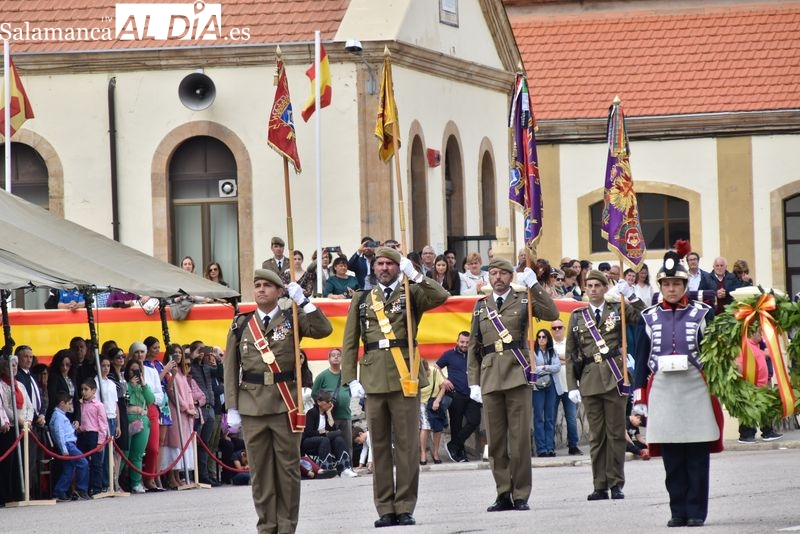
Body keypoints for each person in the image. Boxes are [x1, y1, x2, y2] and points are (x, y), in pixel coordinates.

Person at [341, 246, 449, 528]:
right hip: (374, 378)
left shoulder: (411, 293)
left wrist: (416, 275)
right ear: (373, 268)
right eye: (380, 264)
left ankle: (405, 506)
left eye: (391, 263)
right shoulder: (363, 299)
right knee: (379, 446)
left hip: (406, 378)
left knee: (407, 446)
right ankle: (385, 508)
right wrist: (350, 378)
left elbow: (442, 296)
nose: (385, 268)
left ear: (397, 267)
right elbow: (350, 341)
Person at [224, 269, 333, 534]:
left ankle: (286, 528)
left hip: (285, 406)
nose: (261, 290)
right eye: (257, 285)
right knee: (260, 474)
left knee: (287, 472)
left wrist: (304, 301)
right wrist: (232, 407)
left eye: (267, 286)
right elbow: (230, 367)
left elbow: (324, 329)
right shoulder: (240, 325)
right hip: (252, 407)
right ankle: (267, 527)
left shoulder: (292, 318)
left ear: (279, 291)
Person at [633, 252, 723, 528]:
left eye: (676, 284)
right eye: (667, 284)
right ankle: (678, 511)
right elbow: (640, 361)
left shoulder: (703, 314)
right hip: (663, 391)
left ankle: (697, 511)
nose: (671, 289)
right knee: (672, 460)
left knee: (696, 457)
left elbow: (715, 354)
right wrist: (639, 399)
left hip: (695, 389)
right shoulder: (647, 317)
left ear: (685, 285)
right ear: (660, 286)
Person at [467, 257, 559, 512]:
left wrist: (535, 286)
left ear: (511, 277)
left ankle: (520, 494)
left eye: (502, 274)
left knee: (518, 440)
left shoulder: (523, 299)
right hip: (490, 378)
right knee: (496, 442)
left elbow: (552, 313)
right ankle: (502, 493)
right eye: (493, 273)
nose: (497, 277)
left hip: (517, 375)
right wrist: (473, 382)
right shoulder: (480, 307)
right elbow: (474, 346)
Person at [565, 269, 645, 501]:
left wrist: (630, 294)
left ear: (604, 287)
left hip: (614, 378)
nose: (593, 290)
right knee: (596, 436)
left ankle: (616, 483)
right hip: (589, 380)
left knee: (616, 434)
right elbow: (571, 353)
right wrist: (572, 385)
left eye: (597, 286)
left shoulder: (617, 309)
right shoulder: (578, 316)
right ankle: (599, 484)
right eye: (589, 286)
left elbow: (644, 317)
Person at [437, 331, 481, 463]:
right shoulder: (448, 354)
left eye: (467, 342)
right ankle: (459, 453)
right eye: (462, 342)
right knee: (456, 425)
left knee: (474, 421)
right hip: (456, 394)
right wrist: (444, 380)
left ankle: (453, 444)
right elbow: (436, 368)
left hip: (473, 394)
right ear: (457, 341)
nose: (464, 344)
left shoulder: (475, 354)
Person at [735, 329, 783, 443]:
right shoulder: (745, 345)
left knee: (765, 409)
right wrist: (744, 382)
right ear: (752, 333)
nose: (761, 335)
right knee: (748, 411)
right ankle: (746, 435)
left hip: (762, 385)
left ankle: (768, 432)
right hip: (750, 385)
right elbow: (739, 364)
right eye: (759, 332)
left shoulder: (756, 346)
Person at [161, 345, 196, 489]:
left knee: (183, 444)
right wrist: (185, 407)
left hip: (186, 414)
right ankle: (171, 477)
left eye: (179, 352)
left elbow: (187, 392)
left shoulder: (182, 372)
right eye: (174, 353)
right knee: (174, 444)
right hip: (176, 411)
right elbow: (171, 391)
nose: (178, 355)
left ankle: (178, 476)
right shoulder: (170, 371)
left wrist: (191, 407)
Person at [0, 356, 33, 505]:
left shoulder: (20, 384)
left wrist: (28, 420)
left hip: (24, 426)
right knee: (9, 462)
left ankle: (21, 492)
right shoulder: (2, 385)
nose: (12, 369)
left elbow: (29, 405)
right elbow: (6, 407)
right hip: (11, 427)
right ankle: (6, 494)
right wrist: (19, 421)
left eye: (14, 366)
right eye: (9, 366)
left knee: (25, 459)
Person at [300, 390, 357, 477]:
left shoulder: (326, 414)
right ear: (319, 402)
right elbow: (308, 432)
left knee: (338, 438)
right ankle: (326, 468)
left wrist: (329, 413)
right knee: (327, 438)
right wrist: (322, 432)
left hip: (323, 440)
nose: (330, 404)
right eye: (327, 401)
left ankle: (344, 468)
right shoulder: (312, 413)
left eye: (331, 401)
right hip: (309, 441)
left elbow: (332, 429)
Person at [311, 348, 353, 458]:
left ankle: (349, 467)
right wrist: (325, 407)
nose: (336, 357)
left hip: (345, 415)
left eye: (338, 355)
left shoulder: (347, 375)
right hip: (329, 416)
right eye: (333, 355)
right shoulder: (322, 376)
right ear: (328, 359)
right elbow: (314, 394)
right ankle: (333, 466)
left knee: (348, 443)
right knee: (331, 442)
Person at [49, 391, 90, 502]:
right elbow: (59, 433)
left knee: (68, 469)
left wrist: (72, 427)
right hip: (68, 445)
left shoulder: (60, 416)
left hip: (69, 444)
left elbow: (64, 431)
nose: (70, 406)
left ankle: (59, 491)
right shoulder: (58, 416)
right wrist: (64, 449)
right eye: (69, 404)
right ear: (62, 403)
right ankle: (81, 489)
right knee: (83, 463)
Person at [124, 358, 155, 494]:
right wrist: (131, 385)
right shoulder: (125, 384)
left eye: (138, 370)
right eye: (133, 370)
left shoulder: (143, 386)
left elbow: (151, 400)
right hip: (128, 420)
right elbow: (124, 400)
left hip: (142, 421)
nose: (135, 373)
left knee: (137, 454)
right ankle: (116, 480)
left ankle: (136, 483)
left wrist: (143, 385)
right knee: (125, 452)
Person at [550, 319, 582, 455]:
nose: (557, 330)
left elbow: (575, 359)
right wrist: (564, 360)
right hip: (553, 385)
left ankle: (573, 445)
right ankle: (549, 447)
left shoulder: (570, 342)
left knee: (571, 417)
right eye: (554, 328)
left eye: (559, 327)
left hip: (569, 384)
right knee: (550, 417)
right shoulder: (547, 342)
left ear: (564, 328)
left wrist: (558, 360)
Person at [77, 378, 109, 496]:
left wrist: (100, 441)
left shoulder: (98, 405)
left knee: (96, 463)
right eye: (82, 389)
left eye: (86, 389)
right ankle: (85, 488)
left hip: (93, 435)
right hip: (82, 434)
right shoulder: (80, 404)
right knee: (84, 462)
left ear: (93, 390)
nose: (83, 392)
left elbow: (103, 424)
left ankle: (97, 488)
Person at [532, 328, 560, 457]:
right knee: (538, 417)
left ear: (548, 339)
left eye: (544, 337)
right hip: (537, 387)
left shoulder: (552, 352)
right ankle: (541, 449)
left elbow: (557, 367)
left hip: (551, 386)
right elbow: (532, 369)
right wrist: (547, 368)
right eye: (539, 337)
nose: (541, 339)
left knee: (550, 417)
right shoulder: (533, 352)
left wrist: (543, 367)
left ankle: (550, 447)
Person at [419, 360, 447, 465]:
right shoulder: (415, 375)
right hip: (421, 403)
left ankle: (435, 453)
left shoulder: (435, 372)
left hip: (434, 402)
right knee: (425, 427)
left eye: (425, 373)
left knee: (438, 428)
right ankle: (423, 454)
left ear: (427, 369)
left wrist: (437, 400)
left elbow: (443, 387)